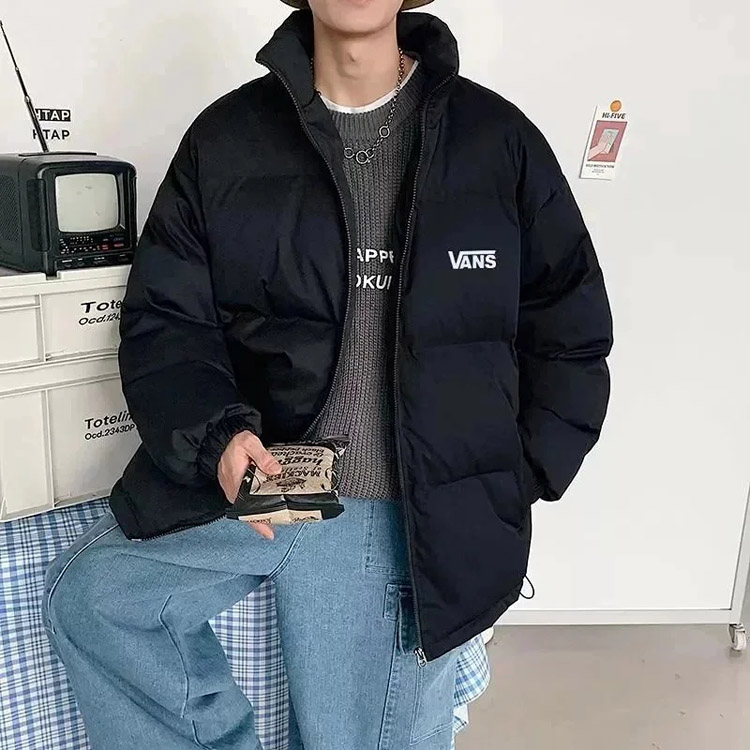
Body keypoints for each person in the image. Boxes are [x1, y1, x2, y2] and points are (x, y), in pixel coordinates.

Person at [42, 1, 613, 748]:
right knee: (95, 599)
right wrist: (219, 439)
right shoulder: (227, 139)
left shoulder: (496, 141)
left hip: (398, 501)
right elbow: (168, 322)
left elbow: (569, 329)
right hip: (278, 473)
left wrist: (506, 479)